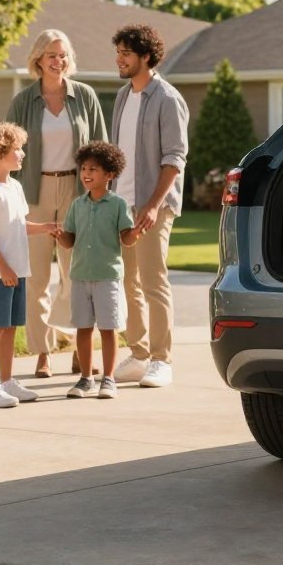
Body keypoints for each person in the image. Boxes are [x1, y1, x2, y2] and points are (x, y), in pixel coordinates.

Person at [6, 29, 107, 378]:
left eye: (62, 54)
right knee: (36, 279)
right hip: (35, 192)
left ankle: (81, 352)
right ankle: (43, 352)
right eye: (51, 54)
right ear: (38, 59)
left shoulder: (86, 97)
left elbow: (100, 149)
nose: (57, 60)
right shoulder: (23, 101)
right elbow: (9, 152)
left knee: (77, 276)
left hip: (77, 192)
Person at [110, 25, 189, 388]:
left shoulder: (167, 99)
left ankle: (162, 359)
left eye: (127, 53)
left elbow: (175, 158)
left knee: (153, 280)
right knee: (129, 281)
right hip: (122, 203)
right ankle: (139, 353)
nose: (120, 59)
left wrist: (154, 205)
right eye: (119, 52)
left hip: (153, 205)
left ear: (145, 57)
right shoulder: (124, 97)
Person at [0, 122, 58, 408]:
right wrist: (4, 268)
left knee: (10, 328)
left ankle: (7, 382)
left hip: (17, 270)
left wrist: (45, 227)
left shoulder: (15, 187)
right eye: (17, 149)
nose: (22, 154)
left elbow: (18, 226)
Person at [54, 141, 138, 400]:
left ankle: (109, 379)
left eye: (94, 169)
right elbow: (70, 239)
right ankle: (85, 378)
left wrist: (137, 231)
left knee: (108, 329)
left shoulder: (118, 205)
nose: (87, 174)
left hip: (107, 277)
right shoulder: (77, 205)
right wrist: (59, 236)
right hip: (80, 276)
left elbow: (127, 238)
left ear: (110, 174)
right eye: (84, 169)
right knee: (83, 328)